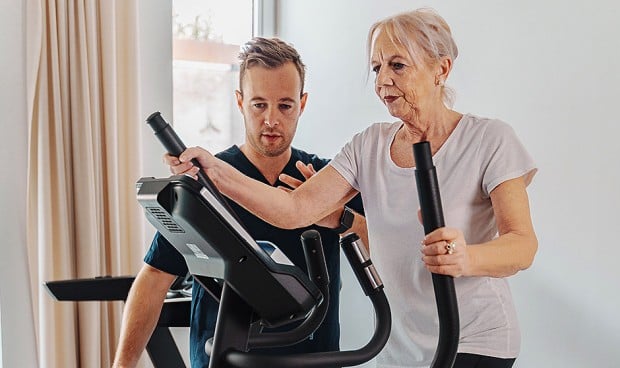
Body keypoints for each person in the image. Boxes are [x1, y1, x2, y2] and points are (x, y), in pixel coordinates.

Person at [169, 8, 539, 368]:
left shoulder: (489, 139)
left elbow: (522, 245)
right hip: (403, 344)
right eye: (377, 68)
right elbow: (293, 210)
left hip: (475, 336)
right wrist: (214, 171)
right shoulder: (368, 146)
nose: (382, 81)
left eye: (397, 65)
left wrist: (466, 258)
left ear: (440, 69)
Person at [112, 37, 366, 368]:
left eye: (285, 106)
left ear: (302, 104)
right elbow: (155, 277)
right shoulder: (210, 180)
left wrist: (341, 217)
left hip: (311, 360)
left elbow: (386, 245)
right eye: (259, 105)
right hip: (223, 359)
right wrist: (122, 365)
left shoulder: (324, 180)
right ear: (240, 101)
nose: (271, 120)